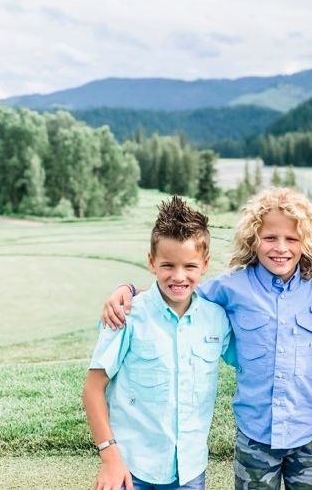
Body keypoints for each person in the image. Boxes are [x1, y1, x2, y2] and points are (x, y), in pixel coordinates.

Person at [101, 188, 312, 490]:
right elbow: (178, 293)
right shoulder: (232, 287)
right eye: (270, 238)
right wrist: (128, 290)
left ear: (306, 242)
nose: (280, 248)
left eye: (292, 239)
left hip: (310, 435)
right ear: (253, 239)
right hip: (255, 436)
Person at [83, 196, 231, 489]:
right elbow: (92, 389)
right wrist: (110, 456)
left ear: (205, 264)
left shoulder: (217, 318)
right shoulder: (127, 315)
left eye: (190, 265)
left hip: (189, 472)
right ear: (151, 262)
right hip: (130, 467)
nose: (179, 276)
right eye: (168, 265)